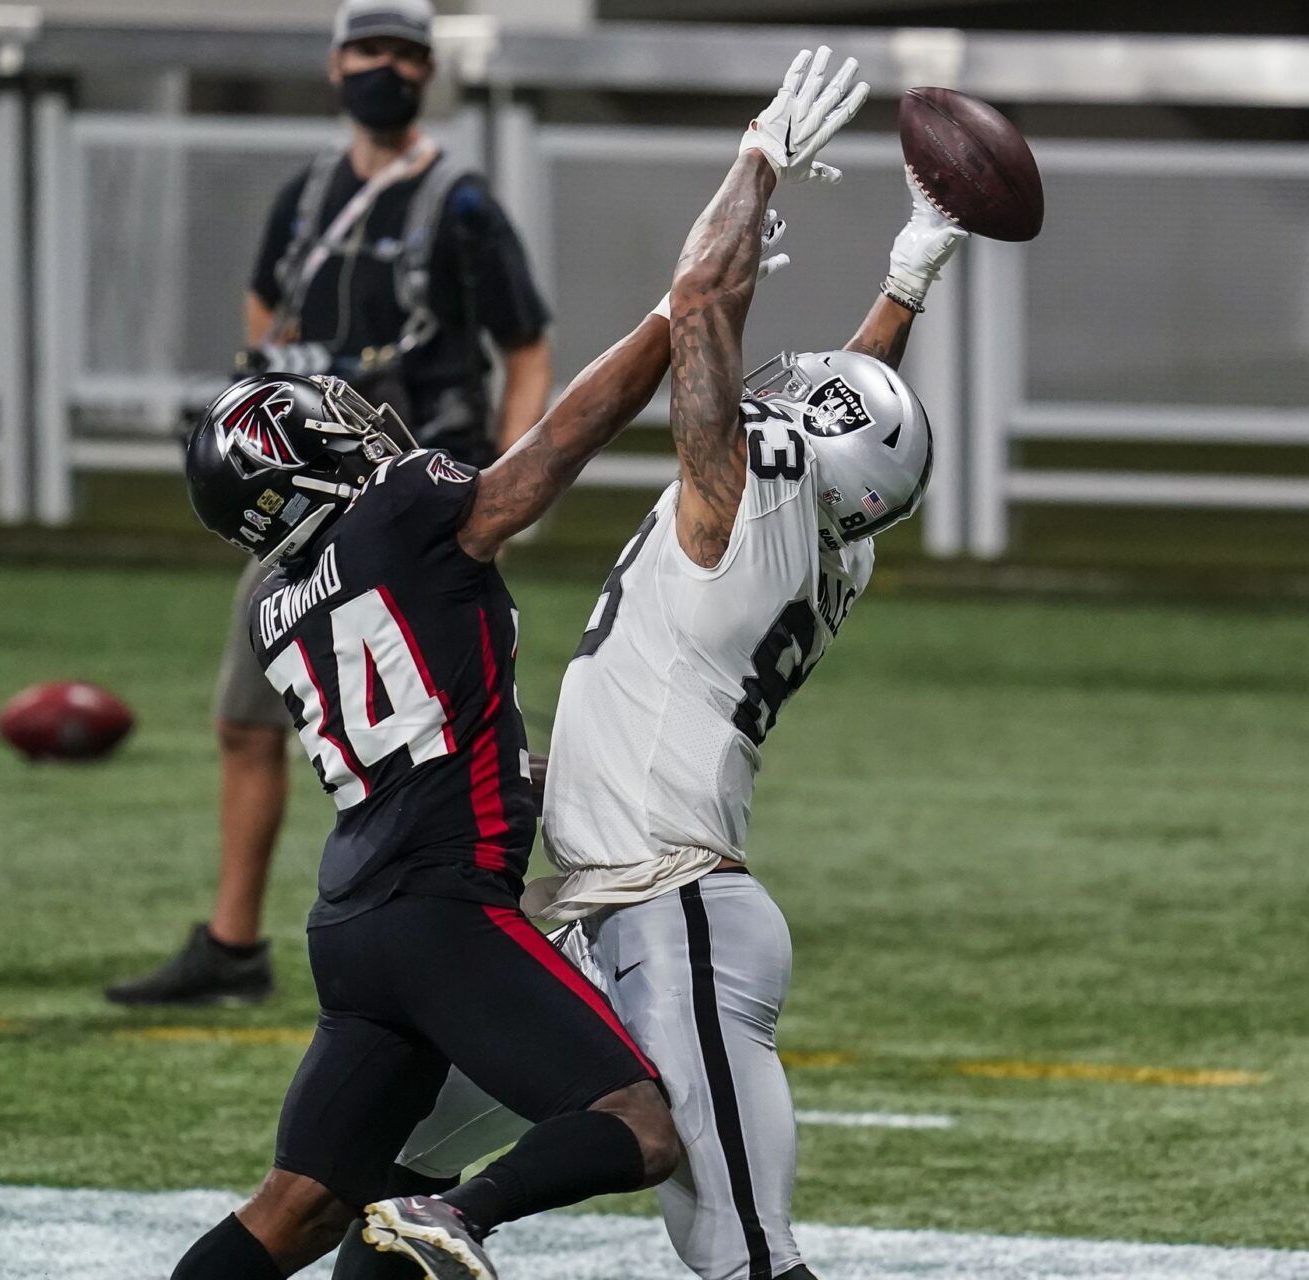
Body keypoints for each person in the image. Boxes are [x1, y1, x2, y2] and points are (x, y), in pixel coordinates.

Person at [165, 47, 863, 1280]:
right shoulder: (402, 509)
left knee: (295, 1208)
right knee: (637, 1123)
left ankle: (413, 1218)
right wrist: (675, 314)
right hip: (444, 908)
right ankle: (459, 1219)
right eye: (322, 422)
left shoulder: (277, 601)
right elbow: (552, 450)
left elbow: (438, 722)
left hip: (349, 923)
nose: (350, 419)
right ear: (303, 466)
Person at [334, 46, 967, 1280]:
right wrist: (908, 276)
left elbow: (704, 295)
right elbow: (857, 420)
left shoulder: (747, 491)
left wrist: (759, 162)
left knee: (743, 1257)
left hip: (672, 913)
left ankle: (470, 1218)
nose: (791, 388)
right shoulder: (826, 527)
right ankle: (444, 1219)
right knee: (386, 1175)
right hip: (596, 917)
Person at [109, 0, 552, 1007]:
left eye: (403, 54)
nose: (383, 69)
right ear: (335, 64)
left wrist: (502, 483)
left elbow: (526, 349)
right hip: (306, 508)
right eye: (368, 51)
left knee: (442, 732)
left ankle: (485, 919)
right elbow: (266, 312)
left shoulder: (461, 204)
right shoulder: (305, 198)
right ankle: (233, 943)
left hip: (416, 507)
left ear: (428, 71)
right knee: (248, 716)